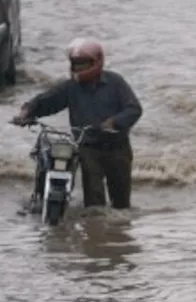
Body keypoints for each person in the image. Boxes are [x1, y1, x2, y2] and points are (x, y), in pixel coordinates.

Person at [13, 39, 142, 210]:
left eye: (82, 64)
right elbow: (48, 100)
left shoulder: (115, 82)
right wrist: (27, 112)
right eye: (75, 64)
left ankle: (119, 229)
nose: (78, 69)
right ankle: (96, 231)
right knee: (94, 202)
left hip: (118, 148)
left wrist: (114, 122)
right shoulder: (71, 87)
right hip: (88, 148)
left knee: (121, 202)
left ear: (97, 61)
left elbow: (134, 109)